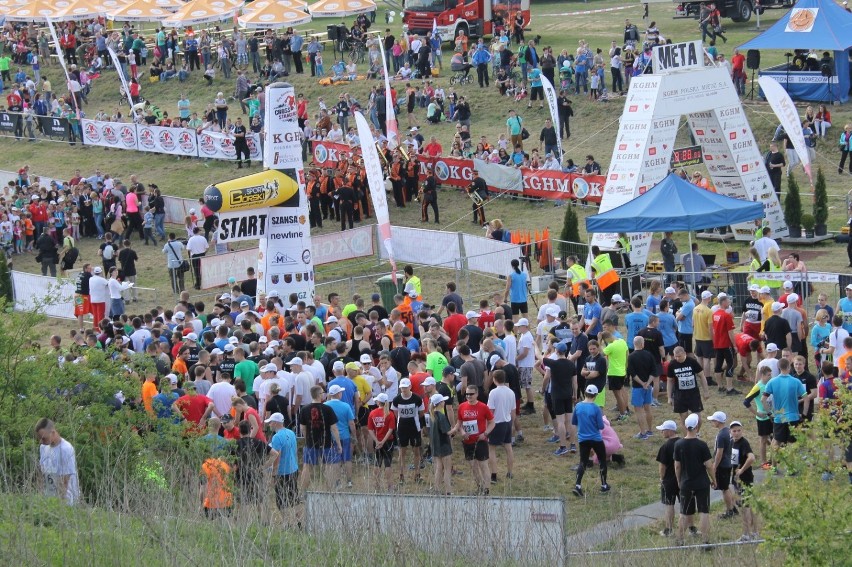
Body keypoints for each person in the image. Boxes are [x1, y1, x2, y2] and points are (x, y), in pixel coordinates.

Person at [673, 413, 714, 548]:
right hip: (701, 482)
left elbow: (677, 466)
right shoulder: (702, 445)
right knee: (704, 511)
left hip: (686, 482)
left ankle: (679, 540)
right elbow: (709, 465)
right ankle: (706, 541)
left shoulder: (678, 444)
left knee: (684, 512)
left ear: (685, 426)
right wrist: (714, 479)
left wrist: (679, 481)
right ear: (697, 426)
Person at [450, 384, 495, 495]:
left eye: (471, 394)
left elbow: (492, 422)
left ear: (477, 394)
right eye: (467, 394)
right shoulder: (462, 406)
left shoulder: (483, 407)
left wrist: (485, 433)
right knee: (473, 466)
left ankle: (486, 490)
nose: (469, 396)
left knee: (483, 465)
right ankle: (479, 487)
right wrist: (462, 432)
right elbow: (459, 423)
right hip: (467, 441)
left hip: (480, 440)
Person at [298, 385, 342, 491]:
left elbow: (302, 427)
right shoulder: (327, 409)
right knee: (329, 466)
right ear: (319, 395)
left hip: (310, 442)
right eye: (322, 393)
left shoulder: (304, 409)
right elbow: (334, 428)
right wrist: (339, 444)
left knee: (307, 467)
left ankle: (303, 491)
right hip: (326, 442)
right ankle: (330, 490)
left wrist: (307, 437)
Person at [762, 358, 805, 461]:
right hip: (793, 416)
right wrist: (803, 414)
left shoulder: (772, 381)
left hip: (779, 416)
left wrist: (769, 413)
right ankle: (790, 468)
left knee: (776, 441)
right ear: (789, 367)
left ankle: (774, 466)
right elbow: (806, 397)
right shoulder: (796, 381)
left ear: (778, 367)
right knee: (791, 442)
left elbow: (763, 399)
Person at [571, 384, 609, 497]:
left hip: (583, 439)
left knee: (583, 462)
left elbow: (574, 422)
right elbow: (601, 426)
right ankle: (604, 485)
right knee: (602, 460)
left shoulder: (578, 406)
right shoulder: (596, 408)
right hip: (596, 439)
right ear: (595, 395)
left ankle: (578, 485)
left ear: (586, 393)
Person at [35, 418, 80, 505]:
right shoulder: (43, 447)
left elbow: (65, 481)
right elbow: (41, 473)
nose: (41, 441)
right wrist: (41, 496)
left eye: (43, 438)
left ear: (52, 433)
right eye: (39, 438)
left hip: (67, 502)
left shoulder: (66, 449)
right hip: (49, 499)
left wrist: (59, 504)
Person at [729, 420, 758, 541]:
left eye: (738, 430)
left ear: (742, 430)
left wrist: (741, 470)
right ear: (730, 432)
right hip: (737, 479)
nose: (736, 433)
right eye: (734, 431)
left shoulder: (743, 443)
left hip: (745, 479)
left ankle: (747, 533)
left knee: (745, 506)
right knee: (747, 505)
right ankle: (754, 532)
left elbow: (751, 458)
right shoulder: (733, 443)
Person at [668, 346, 709, 430]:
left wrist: (706, 391)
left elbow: (702, 376)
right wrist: (669, 397)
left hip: (693, 394)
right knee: (684, 420)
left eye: (679, 356)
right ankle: (687, 438)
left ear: (684, 354)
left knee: (698, 419)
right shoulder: (672, 364)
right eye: (675, 356)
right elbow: (670, 381)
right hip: (680, 395)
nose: (677, 358)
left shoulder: (692, 361)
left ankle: (696, 434)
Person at [264, 413, 299, 509]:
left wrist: (273, 473)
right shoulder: (291, 433)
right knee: (294, 499)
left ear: (275, 423)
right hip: (294, 469)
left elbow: (276, 457)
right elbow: (295, 450)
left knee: (281, 502)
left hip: (283, 472)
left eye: (270, 422)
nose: (269, 425)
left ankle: (286, 523)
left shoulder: (276, 437)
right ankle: (298, 522)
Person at [707, 411, 737, 519]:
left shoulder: (721, 435)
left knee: (724, 489)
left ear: (718, 421)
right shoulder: (729, 432)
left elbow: (719, 453)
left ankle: (729, 511)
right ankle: (733, 507)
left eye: (713, 421)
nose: (712, 422)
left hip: (722, 465)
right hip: (729, 462)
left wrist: (714, 466)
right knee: (727, 487)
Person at [655, 419, 681, 537]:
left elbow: (662, 466)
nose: (662, 432)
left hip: (669, 480)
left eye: (663, 430)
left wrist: (662, 478)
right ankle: (691, 528)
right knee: (686, 505)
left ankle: (669, 530)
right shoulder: (683, 443)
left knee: (669, 505)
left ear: (670, 431)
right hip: (683, 479)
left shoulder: (665, 447)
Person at [367, 392, 397, 491]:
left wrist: (377, 441)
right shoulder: (390, 413)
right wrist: (383, 441)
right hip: (388, 441)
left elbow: (370, 429)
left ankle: (376, 485)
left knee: (377, 463)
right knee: (388, 464)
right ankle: (390, 486)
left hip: (378, 440)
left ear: (378, 402)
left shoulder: (373, 413)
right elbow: (391, 429)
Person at [428, 392, 454, 494]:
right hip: (444, 445)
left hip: (435, 445)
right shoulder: (441, 416)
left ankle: (437, 488)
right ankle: (448, 490)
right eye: (443, 401)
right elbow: (447, 432)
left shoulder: (432, 415)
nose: (444, 402)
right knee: (447, 469)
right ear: (440, 403)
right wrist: (456, 427)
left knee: (439, 468)